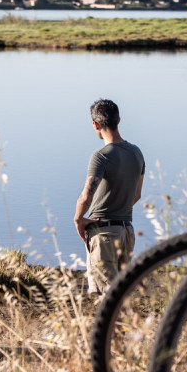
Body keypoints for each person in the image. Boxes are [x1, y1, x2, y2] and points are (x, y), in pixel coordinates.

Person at [74, 99, 145, 297]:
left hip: (104, 234)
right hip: (127, 232)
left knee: (106, 299)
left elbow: (86, 196)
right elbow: (137, 194)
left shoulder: (101, 156)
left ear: (95, 124)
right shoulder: (137, 153)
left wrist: (78, 219)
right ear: (118, 120)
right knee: (121, 295)